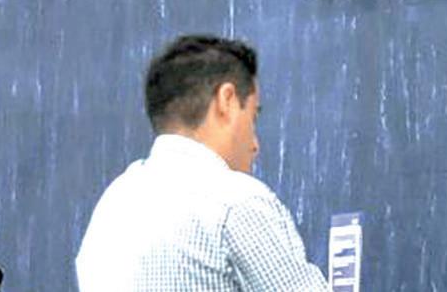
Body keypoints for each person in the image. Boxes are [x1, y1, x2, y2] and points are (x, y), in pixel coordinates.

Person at [76, 34, 328, 291]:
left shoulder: (109, 211)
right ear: (227, 100)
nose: (255, 144)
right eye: (252, 118)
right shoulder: (237, 204)